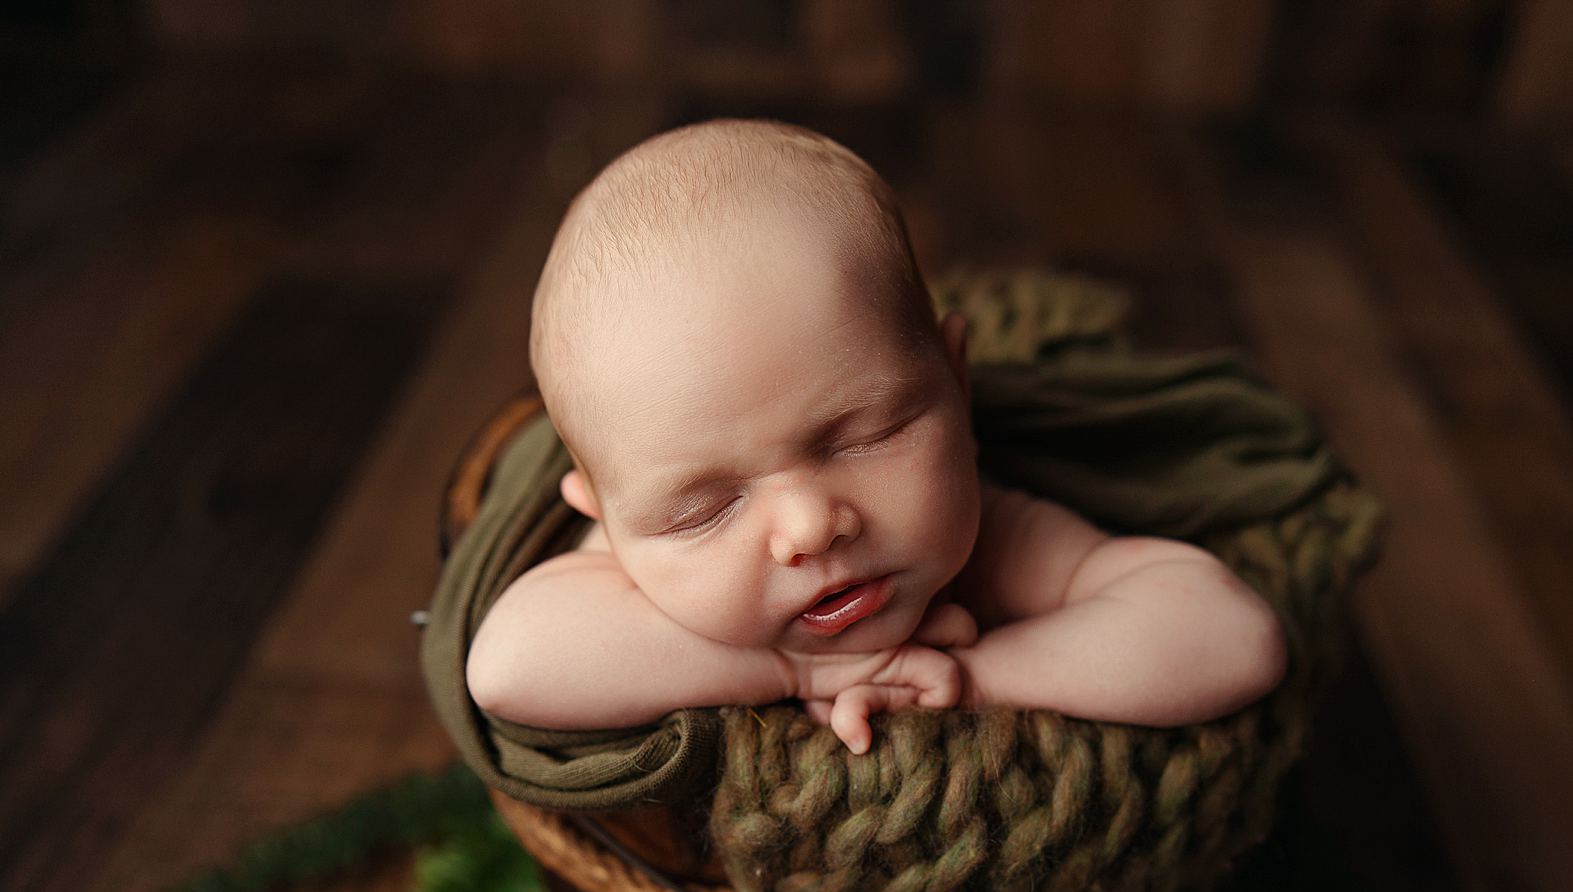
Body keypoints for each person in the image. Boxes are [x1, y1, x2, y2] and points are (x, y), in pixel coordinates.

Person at [467, 118, 1287, 756]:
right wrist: (796, 669)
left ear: (958, 384)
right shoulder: (620, 565)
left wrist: (972, 679)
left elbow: (1231, 636)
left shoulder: (995, 543)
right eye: (703, 512)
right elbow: (509, 665)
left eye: (865, 437)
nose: (809, 528)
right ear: (606, 517)